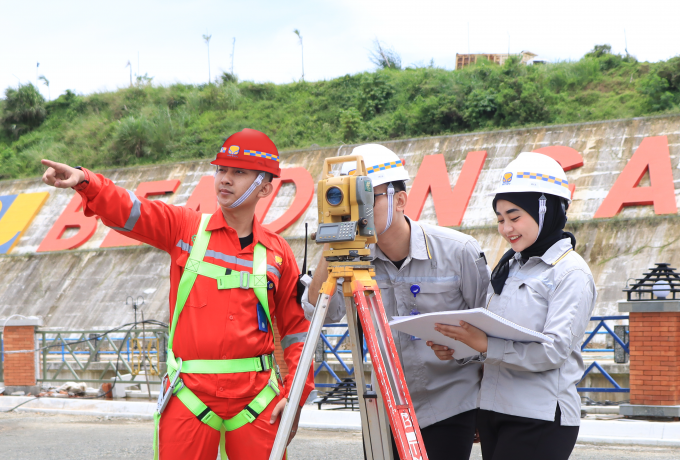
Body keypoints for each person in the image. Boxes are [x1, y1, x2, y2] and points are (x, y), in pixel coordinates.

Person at [41, 128, 314, 460]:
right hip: (190, 396)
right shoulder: (185, 229)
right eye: (221, 170)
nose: (224, 179)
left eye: (238, 172)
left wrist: (296, 394)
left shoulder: (278, 253)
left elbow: (298, 331)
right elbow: (133, 210)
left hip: (256, 401)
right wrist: (87, 181)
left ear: (266, 187)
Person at [305, 144, 490, 460]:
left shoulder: (459, 252)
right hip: (383, 407)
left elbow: (489, 326)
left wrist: (486, 407)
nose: (355, 209)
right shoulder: (352, 259)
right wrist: (332, 241)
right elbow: (325, 311)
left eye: (366, 197)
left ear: (400, 199)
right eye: (348, 200)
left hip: (450, 403)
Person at [428, 152, 597, 460]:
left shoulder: (570, 272)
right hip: (495, 410)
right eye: (500, 219)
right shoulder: (511, 266)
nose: (506, 228)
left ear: (545, 211)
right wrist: (462, 350)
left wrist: (485, 345)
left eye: (515, 216)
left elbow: (554, 351)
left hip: (540, 416)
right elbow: (494, 338)